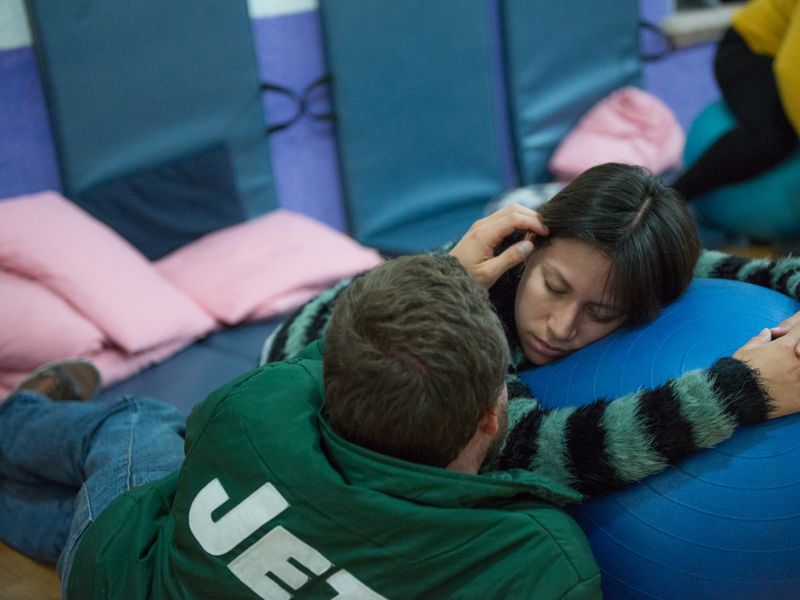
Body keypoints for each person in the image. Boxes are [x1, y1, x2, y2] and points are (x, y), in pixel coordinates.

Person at [1, 255, 604, 599]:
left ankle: (22, 415)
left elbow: (340, 351)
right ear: (491, 418)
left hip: (114, 578)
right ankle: (14, 418)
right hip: (123, 573)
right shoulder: (541, 561)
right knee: (146, 428)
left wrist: (448, 268)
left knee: (146, 422)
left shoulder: (257, 407)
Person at [263, 162, 800, 495]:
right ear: (530, 247)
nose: (562, 327)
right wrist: (743, 388)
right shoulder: (485, 312)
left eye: (603, 313)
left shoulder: (625, 267)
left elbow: (765, 270)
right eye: (554, 287)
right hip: (297, 358)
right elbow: (535, 452)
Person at [672, 0, 800, 200]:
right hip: (748, 49)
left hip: (781, 55)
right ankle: (672, 198)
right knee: (772, 137)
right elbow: (791, 74)